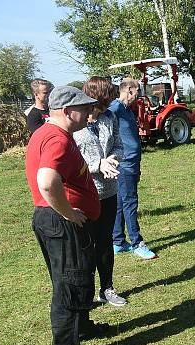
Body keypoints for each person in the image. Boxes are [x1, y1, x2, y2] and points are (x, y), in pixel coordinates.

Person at [25, 86, 107, 345]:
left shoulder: (48, 134)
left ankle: (80, 329)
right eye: (84, 108)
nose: (89, 113)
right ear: (65, 111)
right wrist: (69, 213)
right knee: (70, 286)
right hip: (61, 223)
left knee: (75, 280)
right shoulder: (57, 139)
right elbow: (47, 181)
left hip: (53, 220)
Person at [74, 76, 127, 307]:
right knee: (85, 245)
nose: (107, 105)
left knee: (105, 241)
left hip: (108, 190)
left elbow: (118, 145)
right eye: (104, 100)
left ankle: (107, 288)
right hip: (84, 192)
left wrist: (113, 159)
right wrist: (97, 165)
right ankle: (85, 294)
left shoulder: (110, 117)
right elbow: (71, 156)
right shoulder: (75, 122)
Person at [109, 78, 157, 260]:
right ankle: (137, 243)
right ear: (129, 90)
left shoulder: (127, 109)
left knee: (121, 203)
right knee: (130, 203)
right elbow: (103, 117)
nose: (139, 95)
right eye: (137, 91)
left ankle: (118, 241)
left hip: (132, 163)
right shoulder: (116, 107)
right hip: (124, 164)